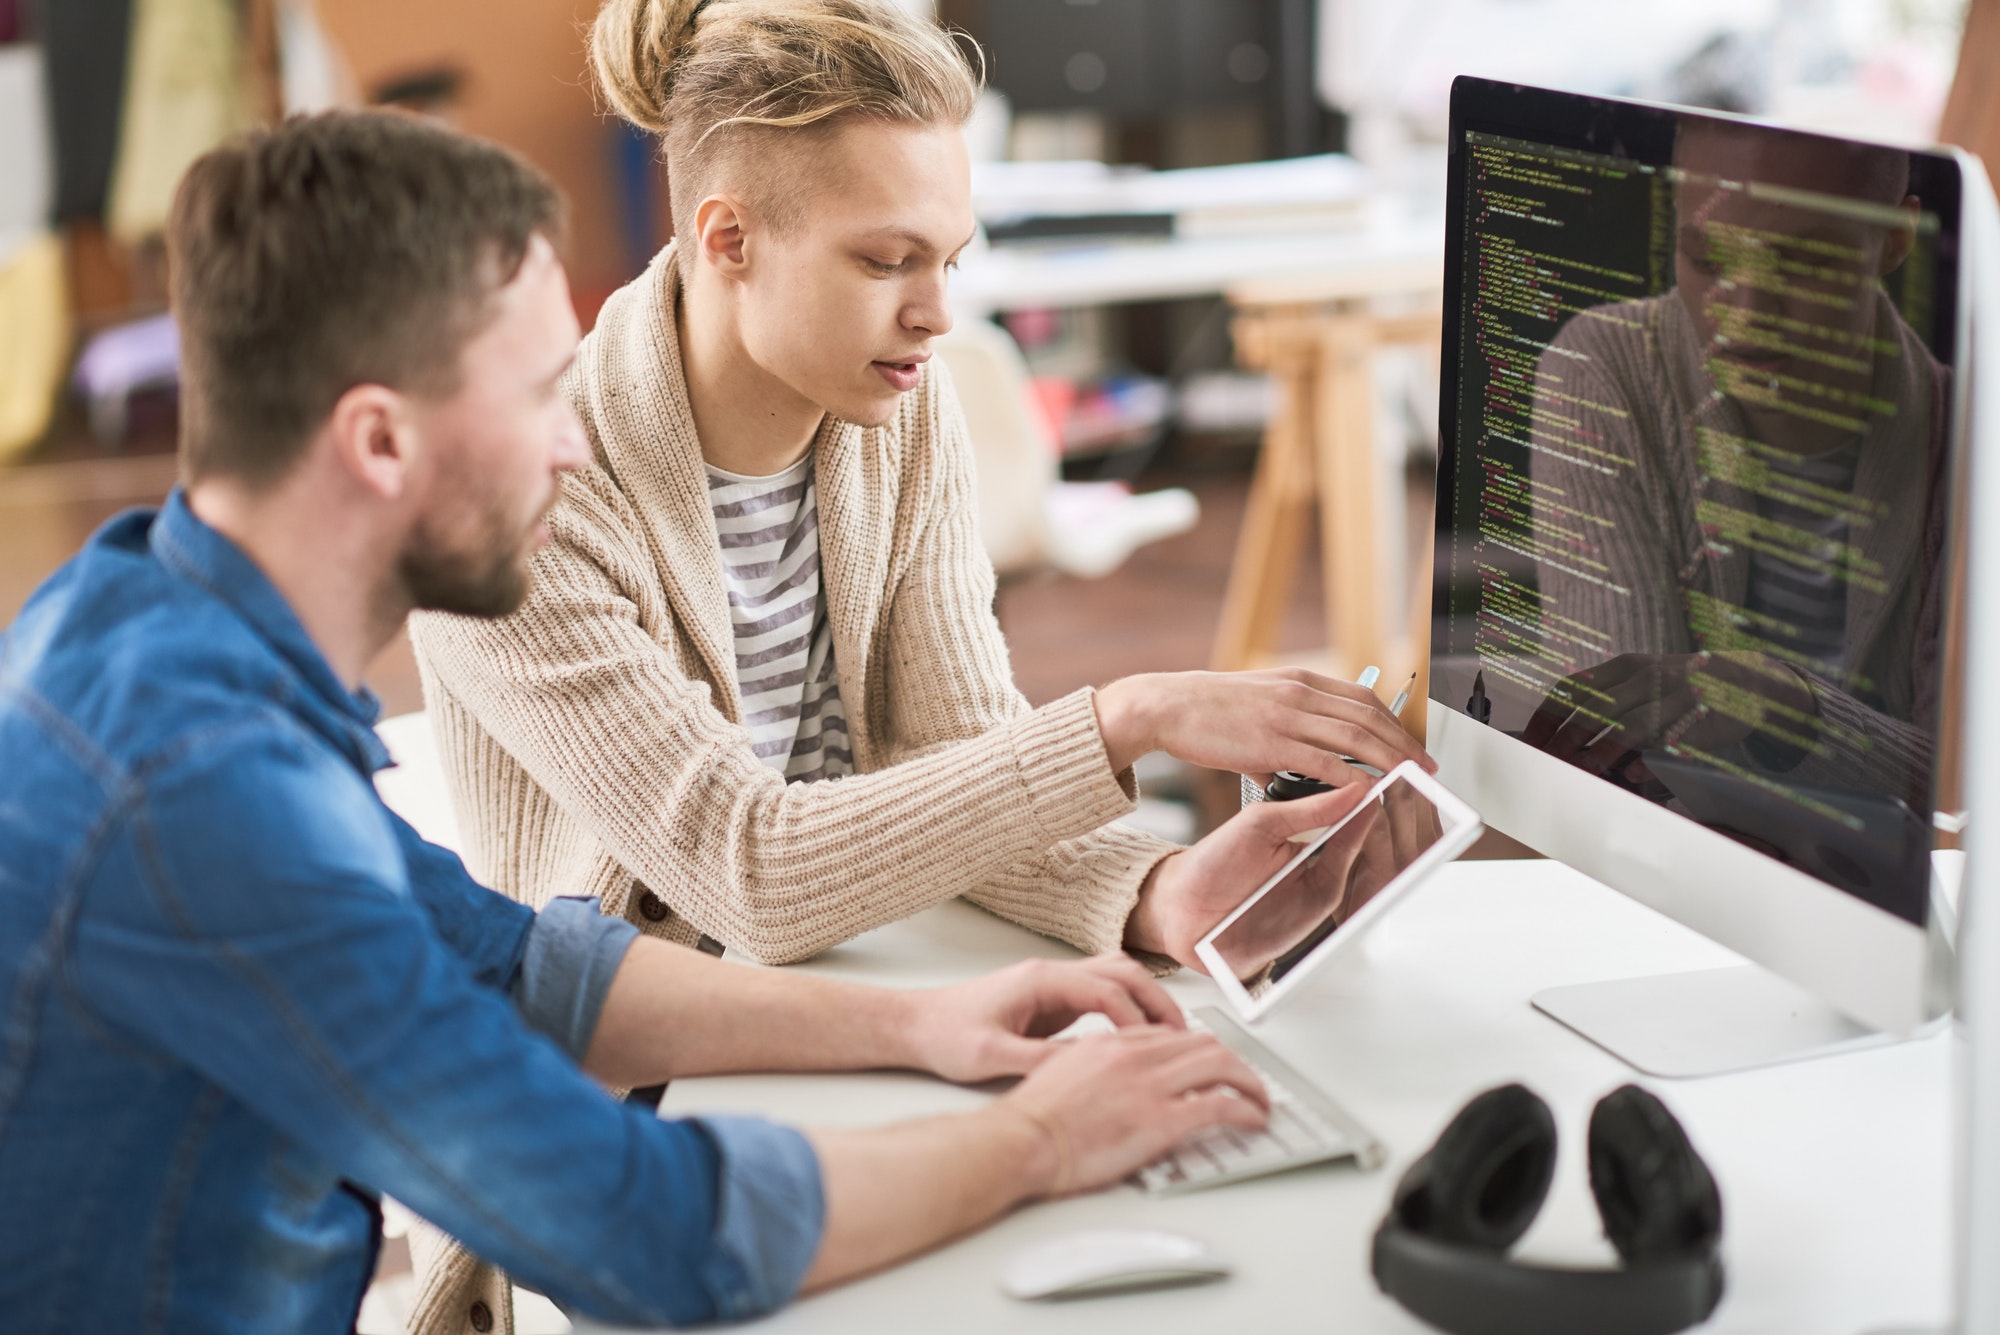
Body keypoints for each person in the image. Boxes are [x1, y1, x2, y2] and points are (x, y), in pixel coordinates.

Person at [0, 110, 1378, 1335]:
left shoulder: (147, 623)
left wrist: (922, 1022)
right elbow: (645, 1228)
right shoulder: (205, 795)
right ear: (377, 441)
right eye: (539, 392)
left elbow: (524, 972)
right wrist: (1037, 1139)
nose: (569, 440)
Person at [1518, 121, 1949, 814]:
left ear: (1895, 240)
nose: (1746, 315)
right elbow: (1626, 752)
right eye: (1710, 259)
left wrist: (1785, 705)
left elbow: (1966, 780)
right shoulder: (1607, 369)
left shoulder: (1966, 436)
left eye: (1803, 265)